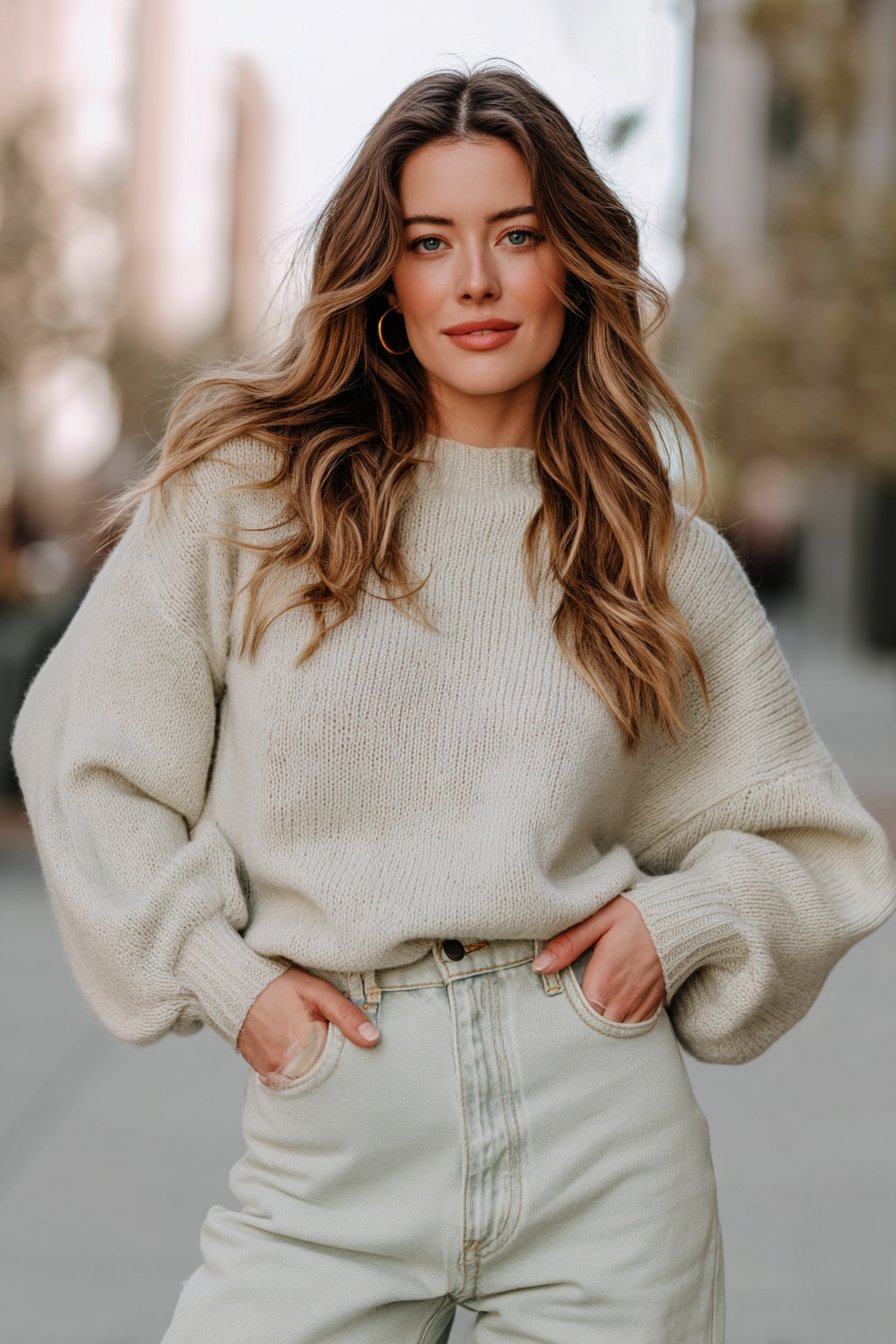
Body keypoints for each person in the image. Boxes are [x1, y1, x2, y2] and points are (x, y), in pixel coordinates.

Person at [10, 60, 896, 1344]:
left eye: (514, 235)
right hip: (333, 1128)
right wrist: (225, 981)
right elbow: (83, 755)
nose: (473, 280)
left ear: (570, 264)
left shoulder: (654, 556)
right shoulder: (250, 499)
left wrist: (681, 921)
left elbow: (816, 845)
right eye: (430, 242)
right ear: (386, 278)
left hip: (599, 1141)